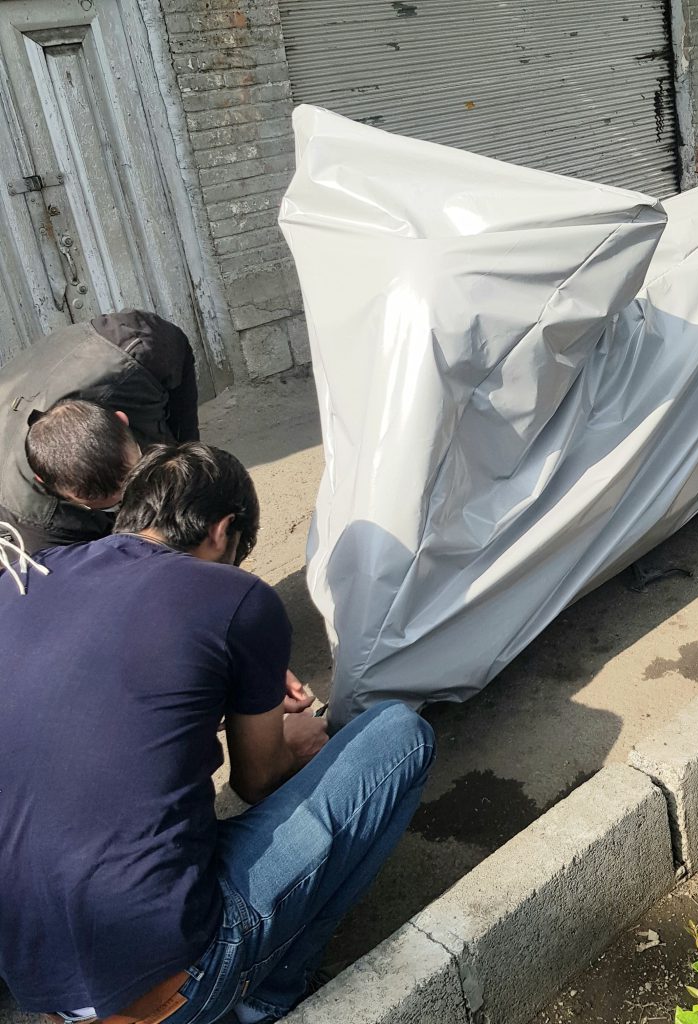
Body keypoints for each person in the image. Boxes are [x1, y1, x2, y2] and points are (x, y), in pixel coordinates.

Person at [0, 442, 435, 1024]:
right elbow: (257, 782)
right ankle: (264, 998)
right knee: (400, 736)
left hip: (41, 988)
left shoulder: (28, 578)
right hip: (172, 983)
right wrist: (292, 739)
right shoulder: (237, 596)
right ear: (223, 530)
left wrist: (225, 695)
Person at [0, 309, 200, 553]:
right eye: (104, 506)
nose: (126, 502)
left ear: (122, 419)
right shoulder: (36, 527)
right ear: (44, 481)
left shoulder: (138, 350)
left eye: (134, 476)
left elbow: (177, 353)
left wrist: (187, 458)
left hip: (82, 359)